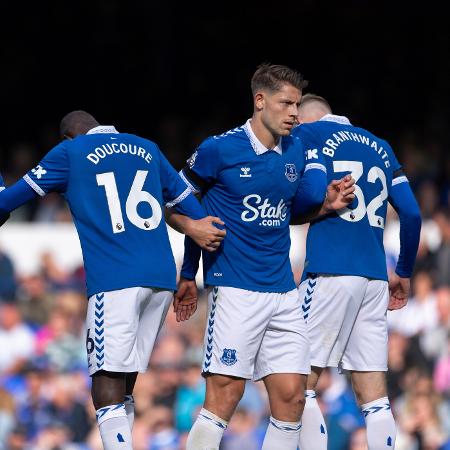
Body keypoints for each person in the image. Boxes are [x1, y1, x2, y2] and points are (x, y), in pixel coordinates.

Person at [0, 110, 226, 450]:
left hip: (115, 278)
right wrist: (187, 275)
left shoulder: (70, 154)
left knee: (104, 384)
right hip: (161, 280)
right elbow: (196, 216)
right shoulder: (147, 148)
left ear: (68, 138)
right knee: (124, 384)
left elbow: (9, 201)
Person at [172, 64, 356, 450]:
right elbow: (171, 200)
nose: (294, 113)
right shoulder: (218, 149)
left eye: (297, 105)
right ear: (260, 101)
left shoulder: (296, 149)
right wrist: (191, 231)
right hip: (235, 289)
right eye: (286, 104)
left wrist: (325, 205)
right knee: (225, 397)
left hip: (283, 292)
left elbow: (287, 213)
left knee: (292, 397)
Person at [292, 94, 422, 450]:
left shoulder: (308, 135)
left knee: (298, 384)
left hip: (330, 272)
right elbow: (411, 214)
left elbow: (310, 195)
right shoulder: (380, 145)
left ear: (304, 119)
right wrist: (405, 270)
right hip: (375, 278)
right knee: (375, 398)